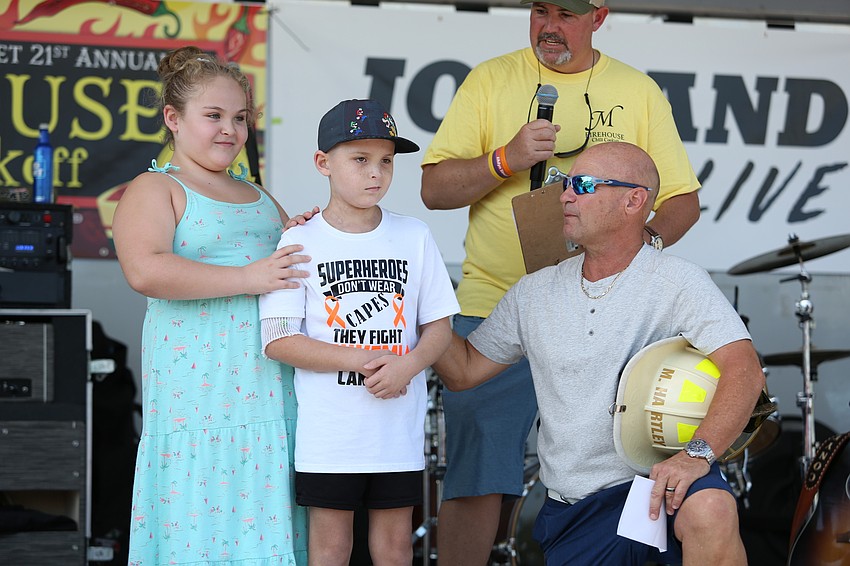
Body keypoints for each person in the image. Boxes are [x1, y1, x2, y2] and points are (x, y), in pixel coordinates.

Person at [419, 0, 702, 561]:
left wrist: (630, 261)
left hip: (608, 310)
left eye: (566, 14)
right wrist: (504, 159)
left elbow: (682, 203)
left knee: (617, 465)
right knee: (479, 472)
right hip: (493, 303)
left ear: (598, 17)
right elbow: (434, 190)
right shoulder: (491, 79)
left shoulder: (637, 89)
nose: (549, 26)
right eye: (540, 9)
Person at [431, 141, 764, 564]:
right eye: (565, 183)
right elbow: (462, 370)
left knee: (711, 507)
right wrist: (424, 306)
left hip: (657, 486)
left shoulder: (679, 281)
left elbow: (745, 372)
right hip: (577, 509)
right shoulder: (534, 292)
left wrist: (696, 456)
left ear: (633, 201)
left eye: (583, 185)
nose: (566, 195)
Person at [112, 46, 309, 565]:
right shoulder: (155, 188)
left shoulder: (261, 196)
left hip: (274, 394)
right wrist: (248, 276)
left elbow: (290, 272)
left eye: (241, 118)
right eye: (215, 116)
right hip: (200, 401)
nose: (231, 130)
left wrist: (312, 236)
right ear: (173, 119)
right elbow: (145, 270)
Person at [258, 99, 460, 566]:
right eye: (360, 160)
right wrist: (362, 360)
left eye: (386, 161)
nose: (376, 174)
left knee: (393, 547)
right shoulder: (299, 240)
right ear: (323, 163)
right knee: (330, 548)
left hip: (397, 432)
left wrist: (408, 364)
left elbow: (439, 327)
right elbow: (278, 340)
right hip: (330, 433)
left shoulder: (414, 235)